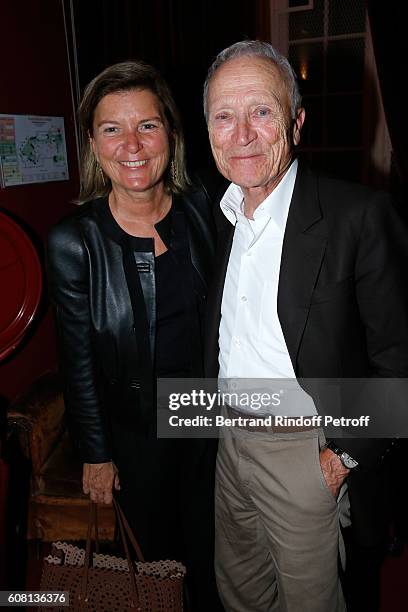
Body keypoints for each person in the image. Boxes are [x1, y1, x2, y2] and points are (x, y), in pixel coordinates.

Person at [203, 40, 408, 612]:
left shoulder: (360, 216)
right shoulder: (216, 215)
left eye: (261, 112)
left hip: (306, 449)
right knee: (239, 593)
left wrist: (342, 456)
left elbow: (399, 357)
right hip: (228, 442)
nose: (241, 133)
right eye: (224, 115)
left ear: (296, 123)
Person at [47, 60, 221, 611]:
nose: (133, 145)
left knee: (216, 559)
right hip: (136, 436)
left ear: (170, 131)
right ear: (94, 146)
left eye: (147, 125)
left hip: (209, 421)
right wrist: (96, 454)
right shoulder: (74, 240)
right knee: (155, 571)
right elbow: (77, 359)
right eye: (111, 129)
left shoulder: (204, 210)